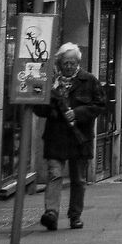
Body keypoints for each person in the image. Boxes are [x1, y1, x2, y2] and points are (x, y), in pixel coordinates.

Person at [38, 44, 106, 230]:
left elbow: (100, 105)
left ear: (78, 62)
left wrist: (77, 113)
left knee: (78, 179)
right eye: (65, 62)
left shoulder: (89, 81)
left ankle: (75, 216)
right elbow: (40, 109)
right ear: (59, 62)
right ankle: (51, 213)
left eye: (72, 62)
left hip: (79, 138)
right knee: (54, 175)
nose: (68, 66)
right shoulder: (51, 82)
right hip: (56, 135)